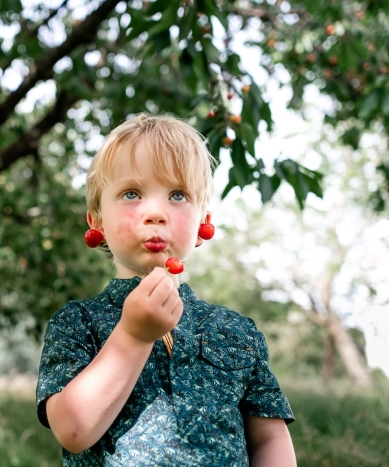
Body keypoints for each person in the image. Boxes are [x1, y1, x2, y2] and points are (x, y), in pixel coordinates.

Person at [36, 114, 296, 466]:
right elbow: (73, 430)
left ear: (204, 219)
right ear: (96, 219)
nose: (156, 212)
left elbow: (268, 440)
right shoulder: (78, 323)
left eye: (177, 195)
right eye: (131, 193)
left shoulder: (236, 332)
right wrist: (133, 335)